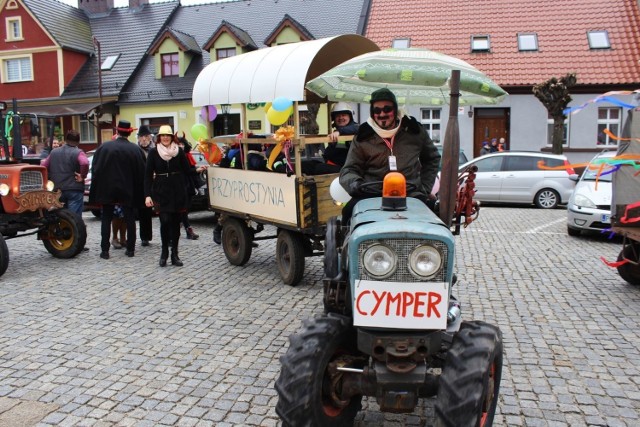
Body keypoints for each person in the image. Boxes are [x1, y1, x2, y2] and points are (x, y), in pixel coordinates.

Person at [339, 88, 440, 223]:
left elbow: (432, 158)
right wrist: (355, 184)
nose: (382, 114)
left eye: (387, 109)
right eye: (377, 110)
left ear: (395, 109)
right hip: (370, 193)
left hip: (411, 193)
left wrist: (425, 188)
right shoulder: (363, 136)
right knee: (347, 213)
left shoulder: (414, 131)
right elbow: (349, 170)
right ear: (372, 112)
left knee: (435, 217)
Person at [144, 125, 204, 267]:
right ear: (159, 138)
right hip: (161, 190)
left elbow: (186, 169)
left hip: (177, 190)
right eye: (163, 135)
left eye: (168, 135)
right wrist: (147, 195)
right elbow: (147, 176)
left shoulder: (179, 152)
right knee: (164, 222)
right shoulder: (153, 153)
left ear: (172, 137)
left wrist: (197, 169)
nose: (165, 138)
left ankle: (174, 254)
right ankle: (164, 252)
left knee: (176, 224)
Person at [89, 119, 146, 260]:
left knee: (106, 219)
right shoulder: (135, 149)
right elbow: (142, 172)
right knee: (130, 218)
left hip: (108, 189)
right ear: (129, 133)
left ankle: (104, 250)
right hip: (128, 189)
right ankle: (131, 249)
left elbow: (96, 169)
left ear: (117, 131)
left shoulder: (104, 148)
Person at [301, 102, 359, 175]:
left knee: (318, 168)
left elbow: (357, 128)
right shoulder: (337, 133)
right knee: (306, 165)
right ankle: (286, 168)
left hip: (346, 169)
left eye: (343, 115)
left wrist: (339, 132)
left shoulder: (354, 128)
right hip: (333, 164)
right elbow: (335, 151)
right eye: (338, 116)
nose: (340, 118)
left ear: (350, 117)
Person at [41, 130, 89, 217]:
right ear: (78, 141)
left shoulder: (53, 152)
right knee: (73, 218)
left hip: (57, 189)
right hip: (74, 189)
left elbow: (43, 165)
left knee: (60, 217)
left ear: (66, 140)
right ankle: (73, 230)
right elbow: (85, 163)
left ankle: (63, 229)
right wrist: (82, 176)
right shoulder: (78, 152)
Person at [176, 134, 202, 240]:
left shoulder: (188, 155)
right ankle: (187, 229)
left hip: (188, 185)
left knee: (185, 209)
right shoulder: (173, 156)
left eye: (182, 144)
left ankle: (180, 227)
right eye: (178, 144)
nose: (181, 146)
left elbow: (190, 171)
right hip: (178, 185)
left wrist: (197, 172)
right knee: (182, 209)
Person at [137, 125, 155, 246]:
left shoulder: (155, 149)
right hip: (140, 184)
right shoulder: (135, 150)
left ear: (150, 138)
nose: (144, 139)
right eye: (141, 137)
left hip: (155, 183)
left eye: (146, 136)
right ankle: (145, 237)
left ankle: (168, 237)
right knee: (143, 211)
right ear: (138, 138)